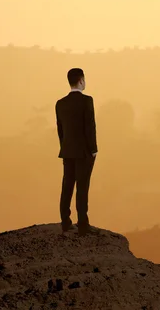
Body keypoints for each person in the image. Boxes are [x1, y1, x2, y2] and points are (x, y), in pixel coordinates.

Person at [55, 68, 99, 236]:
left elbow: (60, 130)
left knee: (67, 185)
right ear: (81, 81)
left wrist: (64, 146)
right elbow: (90, 126)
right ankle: (83, 224)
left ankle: (65, 221)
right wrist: (93, 149)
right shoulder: (87, 101)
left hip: (67, 150)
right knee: (82, 186)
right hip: (84, 152)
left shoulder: (60, 103)